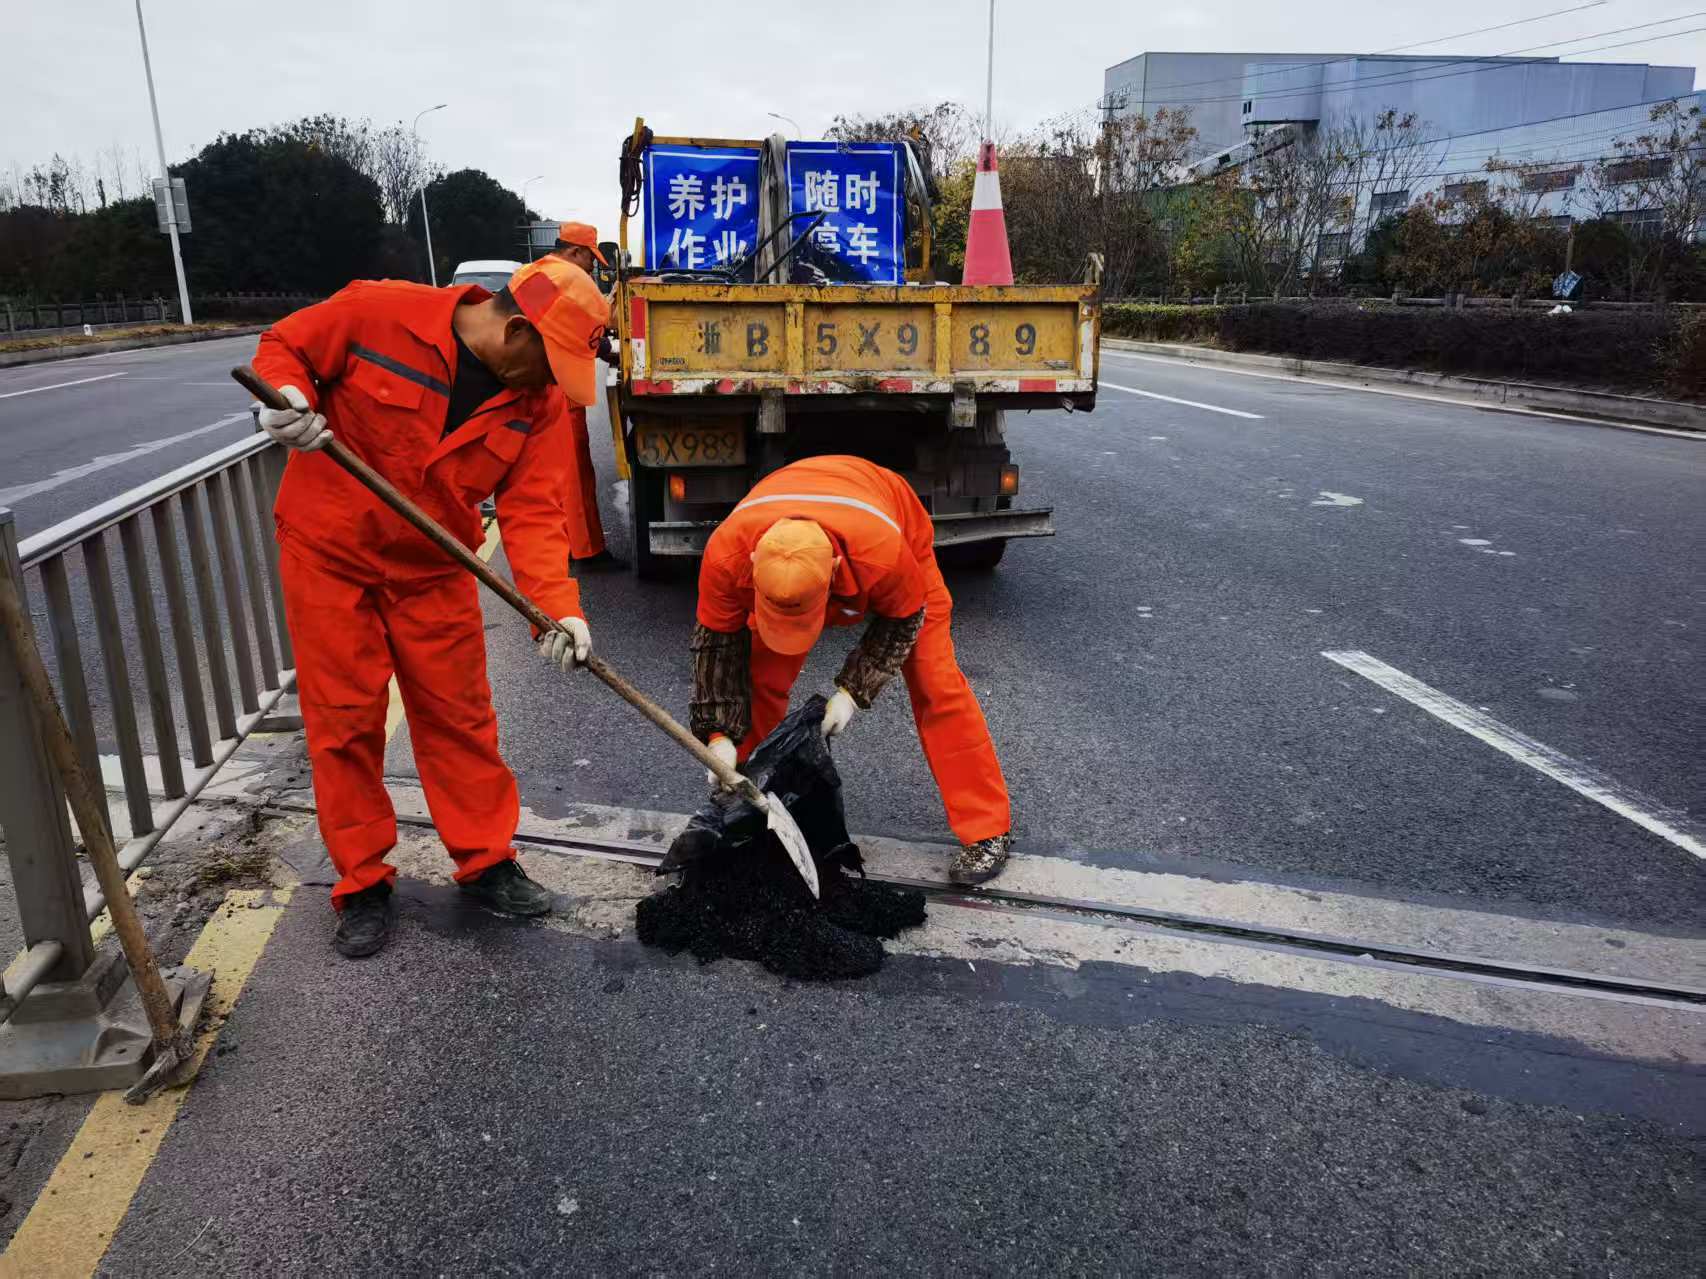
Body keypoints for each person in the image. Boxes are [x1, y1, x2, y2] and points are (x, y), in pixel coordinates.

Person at [252, 256, 608, 958]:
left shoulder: (533, 408)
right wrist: (285, 399)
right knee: (345, 721)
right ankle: (361, 882)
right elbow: (285, 346)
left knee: (461, 718)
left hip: (433, 566)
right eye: (551, 365)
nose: (552, 388)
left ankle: (487, 860)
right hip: (333, 556)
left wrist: (559, 610)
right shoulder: (379, 313)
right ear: (515, 331)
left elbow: (534, 513)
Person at [689, 456, 1014, 884]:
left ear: (837, 574)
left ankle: (988, 829)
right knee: (758, 676)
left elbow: (903, 621)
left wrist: (852, 692)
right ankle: (742, 803)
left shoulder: (884, 555)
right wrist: (718, 738)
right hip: (809, 517)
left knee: (936, 682)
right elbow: (717, 650)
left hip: (889, 527)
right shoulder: (727, 555)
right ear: (752, 563)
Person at [544, 221, 616, 567]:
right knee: (575, 473)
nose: (592, 267)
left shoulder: (541, 275)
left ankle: (565, 542)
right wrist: (604, 346)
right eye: (591, 259)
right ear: (574, 251)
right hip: (559, 391)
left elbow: (547, 322)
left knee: (553, 474)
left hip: (544, 388)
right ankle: (587, 550)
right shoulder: (563, 279)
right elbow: (571, 328)